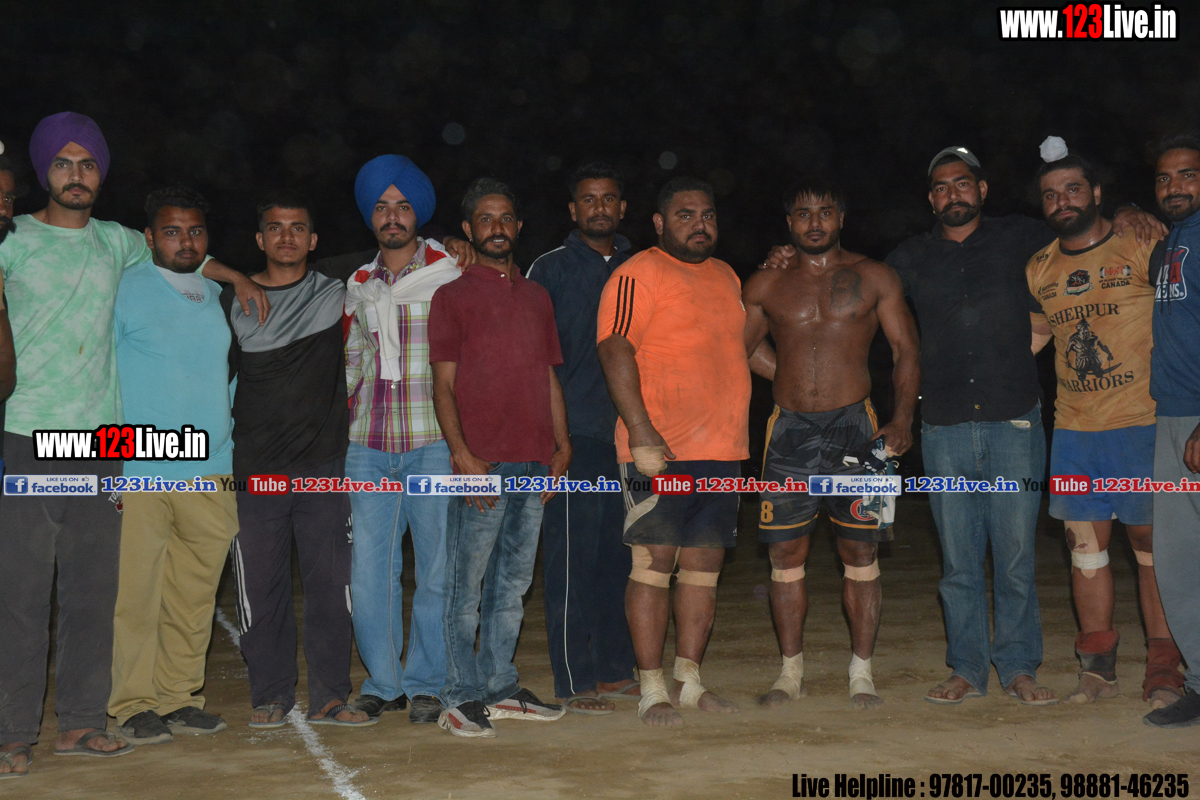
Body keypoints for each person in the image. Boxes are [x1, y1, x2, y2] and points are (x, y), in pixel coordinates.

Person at [0, 112, 265, 778]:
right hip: (31, 434)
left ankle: (85, 722)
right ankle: (12, 732)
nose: (76, 174)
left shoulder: (117, 243)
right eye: (63, 163)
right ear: (42, 171)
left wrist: (236, 276)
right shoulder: (13, 239)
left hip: (102, 442)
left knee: (94, 594)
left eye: (87, 163)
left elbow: (186, 254)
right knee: (23, 594)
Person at [743, 180, 919, 710]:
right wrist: (787, 377)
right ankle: (789, 673)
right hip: (789, 430)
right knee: (785, 553)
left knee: (860, 550)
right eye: (803, 214)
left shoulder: (875, 276)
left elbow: (905, 349)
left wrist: (902, 418)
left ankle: (861, 672)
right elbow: (738, 349)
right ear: (788, 223)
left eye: (824, 212)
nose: (814, 222)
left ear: (841, 217)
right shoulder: (766, 282)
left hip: (858, 428)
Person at [1026, 142, 1182, 710]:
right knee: (1084, 549)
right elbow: (1035, 339)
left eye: (1072, 189)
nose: (1061, 201)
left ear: (1095, 193)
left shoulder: (1141, 242)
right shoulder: (1039, 267)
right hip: (1074, 431)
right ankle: (1097, 670)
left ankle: (1164, 669)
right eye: (1050, 194)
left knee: (1151, 548)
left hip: (1143, 424)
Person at [597, 177, 749, 728]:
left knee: (703, 568)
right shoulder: (637, 273)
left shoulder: (727, 275)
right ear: (659, 223)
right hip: (657, 450)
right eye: (685, 215)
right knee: (653, 564)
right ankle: (651, 688)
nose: (699, 224)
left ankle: (688, 681)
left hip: (723, 450)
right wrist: (640, 431)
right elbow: (614, 347)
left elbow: (735, 350)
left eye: (707, 215)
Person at [429, 178, 571, 739]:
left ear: (518, 227)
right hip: (481, 464)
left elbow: (548, 375)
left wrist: (562, 444)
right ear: (468, 229)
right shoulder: (452, 297)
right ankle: (458, 696)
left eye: (506, 218)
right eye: (485, 219)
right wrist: (462, 454)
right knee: (465, 587)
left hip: (534, 461)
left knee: (511, 586)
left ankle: (500, 687)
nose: (497, 228)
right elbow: (443, 384)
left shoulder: (537, 297)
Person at [224, 191, 371, 729]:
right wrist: (232, 275)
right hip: (253, 470)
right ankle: (270, 694)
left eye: (297, 228)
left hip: (324, 466)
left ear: (313, 240)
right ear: (259, 239)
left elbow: (398, 244)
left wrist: (449, 242)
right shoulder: (229, 299)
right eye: (275, 227)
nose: (286, 237)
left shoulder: (335, 285)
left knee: (331, 588)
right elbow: (180, 259)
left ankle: (331, 695)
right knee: (261, 589)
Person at [109, 186, 240, 745]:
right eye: (171, 231)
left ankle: (179, 697)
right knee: (136, 596)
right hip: (141, 467)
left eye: (194, 231)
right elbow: (102, 376)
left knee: (193, 596)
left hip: (212, 469)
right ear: (148, 237)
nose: (184, 241)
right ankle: (133, 703)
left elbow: (230, 376)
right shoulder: (123, 287)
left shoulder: (218, 294)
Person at [342, 155, 461, 724]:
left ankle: (427, 683)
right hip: (367, 445)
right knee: (369, 574)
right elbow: (352, 363)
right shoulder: (358, 285)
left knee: (437, 570)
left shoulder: (451, 272)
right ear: (371, 216)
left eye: (404, 205)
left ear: (419, 214)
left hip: (433, 441)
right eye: (382, 206)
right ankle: (384, 683)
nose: (393, 216)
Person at [527, 162, 639, 715]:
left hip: (634, 439)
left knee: (623, 561)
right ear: (573, 210)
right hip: (574, 436)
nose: (599, 208)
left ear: (623, 208)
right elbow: (533, 358)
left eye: (609, 198)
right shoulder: (549, 269)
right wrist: (552, 438)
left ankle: (616, 671)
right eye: (588, 199)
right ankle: (574, 680)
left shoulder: (644, 266)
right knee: (572, 563)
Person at [1143, 132, 1200, 728]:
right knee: (1179, 560)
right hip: (1171, 417)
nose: (1174, 186)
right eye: (1164, 178)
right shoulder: (1170, 244)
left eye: (1187, 174)